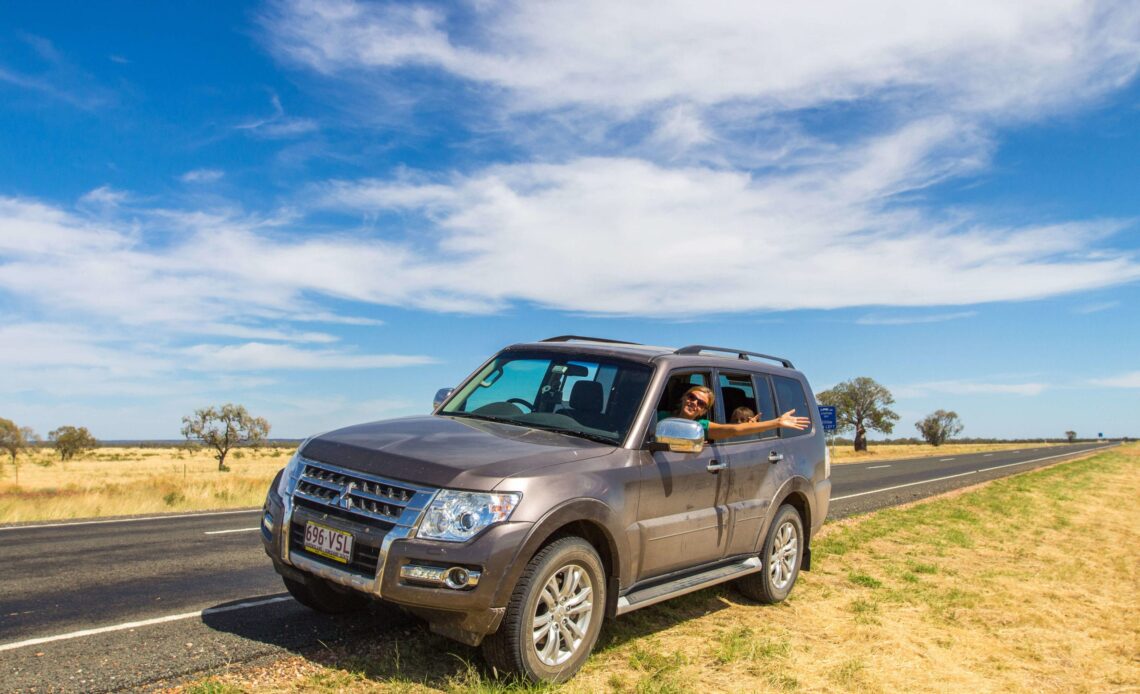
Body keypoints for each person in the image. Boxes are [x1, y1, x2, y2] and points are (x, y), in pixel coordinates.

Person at [660, 385, 810, 441]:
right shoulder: (659, 417)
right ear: (684, 397)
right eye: (692, 397)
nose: (694, 403)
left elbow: (734, 430)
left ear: (703, 411)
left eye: (701, 403)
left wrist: (776, 422)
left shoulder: (701, 427)